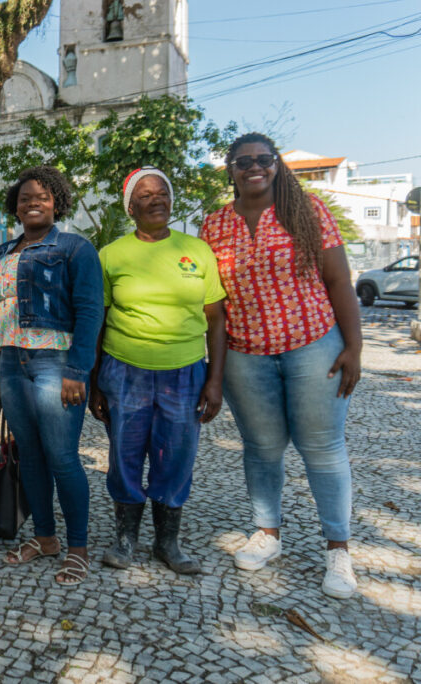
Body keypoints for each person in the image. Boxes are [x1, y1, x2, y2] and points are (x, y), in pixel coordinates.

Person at [200, 132, 363, 599]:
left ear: (276, 165)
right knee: (262, 447)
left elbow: (339, 281)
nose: (255, 167)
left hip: (313, 345)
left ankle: (338, 549)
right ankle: (267, 533)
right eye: (244, 161)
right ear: (230, 169)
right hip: (246, 355)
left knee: (322, 448)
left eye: (264, 159)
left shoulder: (306, 211)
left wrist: (354, 346)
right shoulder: (214, 227)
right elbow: (215, 303)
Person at [89, 167, 227, 574]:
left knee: (176, 456)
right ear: (130, 207)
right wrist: (95, 380)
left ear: (171, 200)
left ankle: (167, 542)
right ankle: (125, 539)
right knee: (124, 454)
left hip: (184, 373)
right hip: (124, 371)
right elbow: (99, 318)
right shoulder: (112, 255)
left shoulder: (197, 251)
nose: (156, 199)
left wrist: (215, 380)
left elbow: (216, 319)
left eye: (162, 192)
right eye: (145, 195)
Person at [0, 166, 103, 585]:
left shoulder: (75, 248)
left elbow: (90, 312)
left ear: (57, 202)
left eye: (43, 196)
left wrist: (77, 369)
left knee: (63, 457)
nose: (33, 202)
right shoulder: (2, 253)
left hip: (56, 363)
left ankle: (77, 549)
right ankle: (44, 537)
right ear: (14, 207)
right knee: (29, 456)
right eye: (24, 198)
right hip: (12, 362)